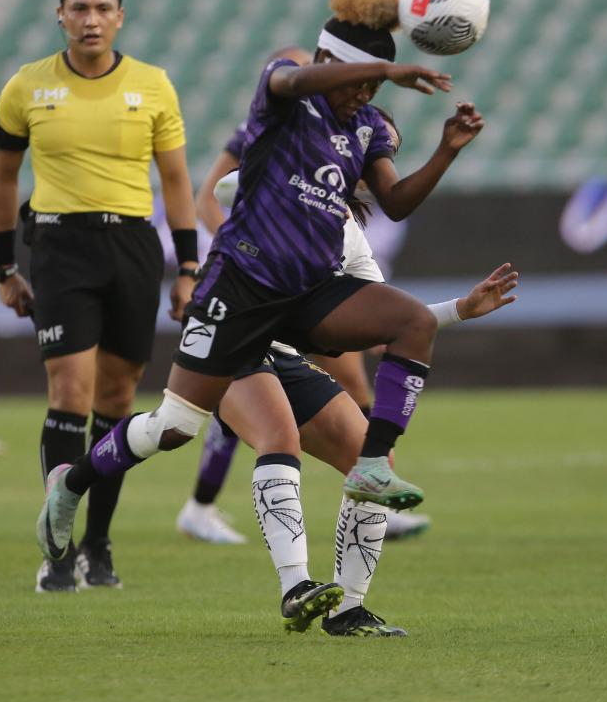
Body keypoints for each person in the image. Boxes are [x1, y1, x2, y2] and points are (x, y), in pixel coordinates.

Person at [37, 0, 484, 631]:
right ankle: (73, 484)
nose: (365, 95)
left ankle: (351, 594)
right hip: (238, 291)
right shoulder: (287, 90)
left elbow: (396, 201)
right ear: (326, 62)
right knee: (177, 427)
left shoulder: (367, 126)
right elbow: (290, 83)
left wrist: (445, 149)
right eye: (355, 81)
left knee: (409, 329)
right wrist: (387, 64)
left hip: (305, 295)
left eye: (374, 88)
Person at [0, 0, 200, 593]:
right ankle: (59, 548)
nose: (91, 19)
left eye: (103, 8)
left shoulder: (154, 86)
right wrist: (4, 268)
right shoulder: (25, 87)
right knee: (69, 388)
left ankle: (98, 543)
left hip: (132, 244)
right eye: (79, 8)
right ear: (60, 15)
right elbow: (2, 182)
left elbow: (177, 182)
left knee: (115, 399)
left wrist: (187, 267)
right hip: (59, 245)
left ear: (120, 17)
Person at [218, 201, 519, 635]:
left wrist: (461, 309)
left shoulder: (349, 233)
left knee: (372, 459)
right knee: (274, 438)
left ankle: (348, 610)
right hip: (227, 338)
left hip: (281, 350)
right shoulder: (279, 187)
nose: (378, 170)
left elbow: (382, 325)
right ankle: (295, 586)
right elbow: (219, 193)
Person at [178, 104, 429, 546]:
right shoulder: (280, 139)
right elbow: (214, 193)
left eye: (389, 149)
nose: (382, 155)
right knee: (174, 424)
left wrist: (456, 311)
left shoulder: (348, 223)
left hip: (296, 322)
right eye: (378, 146)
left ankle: (369, 488)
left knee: (325, 411)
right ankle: (195, 504)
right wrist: (236, 258)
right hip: (242, 307)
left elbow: (392, 310)